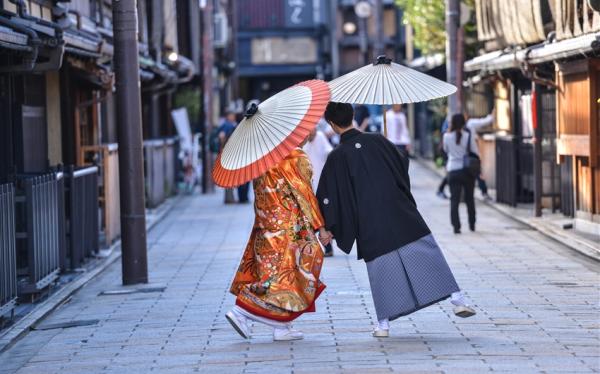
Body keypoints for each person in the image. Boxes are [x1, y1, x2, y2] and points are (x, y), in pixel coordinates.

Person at [317, 102, 475, 338]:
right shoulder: (379, 140)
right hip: (398, 207)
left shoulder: (337, 157)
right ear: (351, 116)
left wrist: (328, 227)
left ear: (331, 123)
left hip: (369, 218)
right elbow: (402, 164)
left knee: (380, 269)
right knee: (424, 250)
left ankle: (383, 324)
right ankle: (457, 298)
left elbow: (330, 196)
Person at [226, 146, 332, 341]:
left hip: (265, 223)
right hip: (288, 227)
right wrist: (320, 226)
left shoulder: (260, 155)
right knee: (289, 272)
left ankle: (282, 326)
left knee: (271, 272)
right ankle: (242, 310)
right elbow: (305, 194)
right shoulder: (293, 155)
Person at [443, 113, 489, 234]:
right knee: (470, 199)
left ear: (452, 123)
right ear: (463, 123)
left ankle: (456, 226)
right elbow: (475, 152)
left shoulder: (446, 136)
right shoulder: (468, 136)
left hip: (452, 170)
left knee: (454, 200)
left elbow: (446, 151)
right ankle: (472, 224)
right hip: (466, 171)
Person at [437, 112, 494, 200]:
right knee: (476, 173)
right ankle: (484, 192)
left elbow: (446, 149)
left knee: (453, 174)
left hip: (455, 162)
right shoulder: (470, 126)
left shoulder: (449, 134)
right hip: (468, 158)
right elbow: (485, 121)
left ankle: (441, 189)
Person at [303, 127, 334, 256]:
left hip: (321, 180)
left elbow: (329, 151)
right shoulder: (304, 142)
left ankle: (328, 247)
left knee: (322, 215)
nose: (310, 133)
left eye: (312, 130)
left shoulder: (320, 137)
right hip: (309, 183)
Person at [218, 111, 237, 204]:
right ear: (228, 116)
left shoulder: (225, 124)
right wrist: (224, 147)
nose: (233, 116)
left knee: (228, 176)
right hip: (228, 153)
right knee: (229, 176)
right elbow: (221, 136)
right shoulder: (227, 125)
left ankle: (229, 198)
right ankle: (229, 198)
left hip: (227, 153)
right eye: (232, 115)